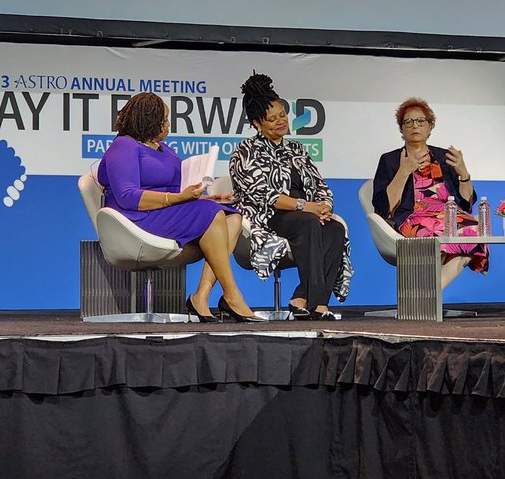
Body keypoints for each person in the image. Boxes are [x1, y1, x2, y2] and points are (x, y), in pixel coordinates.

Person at [97, 92, 261, 322]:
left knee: (231, 216)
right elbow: (127, 196)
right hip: (135, 218)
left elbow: (177, 192)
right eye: (164, 119)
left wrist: (205, 199)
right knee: (211, 215)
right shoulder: (123, 146)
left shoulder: (164, 149)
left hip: (166, 213)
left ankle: (200, 297)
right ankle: (232, 294)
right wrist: (178, 200)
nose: (168, 124)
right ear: (148, 120)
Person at [229, 72, 352, 318]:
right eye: (271, 119)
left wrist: (324, 206)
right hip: (269, 217)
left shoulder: (296, 148)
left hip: (305, 213)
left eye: (282, 115)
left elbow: (319, 184)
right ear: (257, 123)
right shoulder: (245, 151)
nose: (280, 121)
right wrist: (304, 206)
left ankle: (301, 298)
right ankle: (318, 305)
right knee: (308, 223)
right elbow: (263, 195)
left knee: (335, 229)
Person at [371, 97, 487, 288]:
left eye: (420, 121)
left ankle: (433, 289)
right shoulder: (390, 160)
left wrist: (463, 172)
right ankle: (430, 293)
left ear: (430, 126)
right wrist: (404, 170)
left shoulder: (443, 157)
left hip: (450, 216)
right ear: (401, 129)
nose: (414, 125)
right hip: (413, 218)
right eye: (408, 122)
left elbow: (466, 203)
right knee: (434, 232)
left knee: (475, 231)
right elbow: (384, 207)